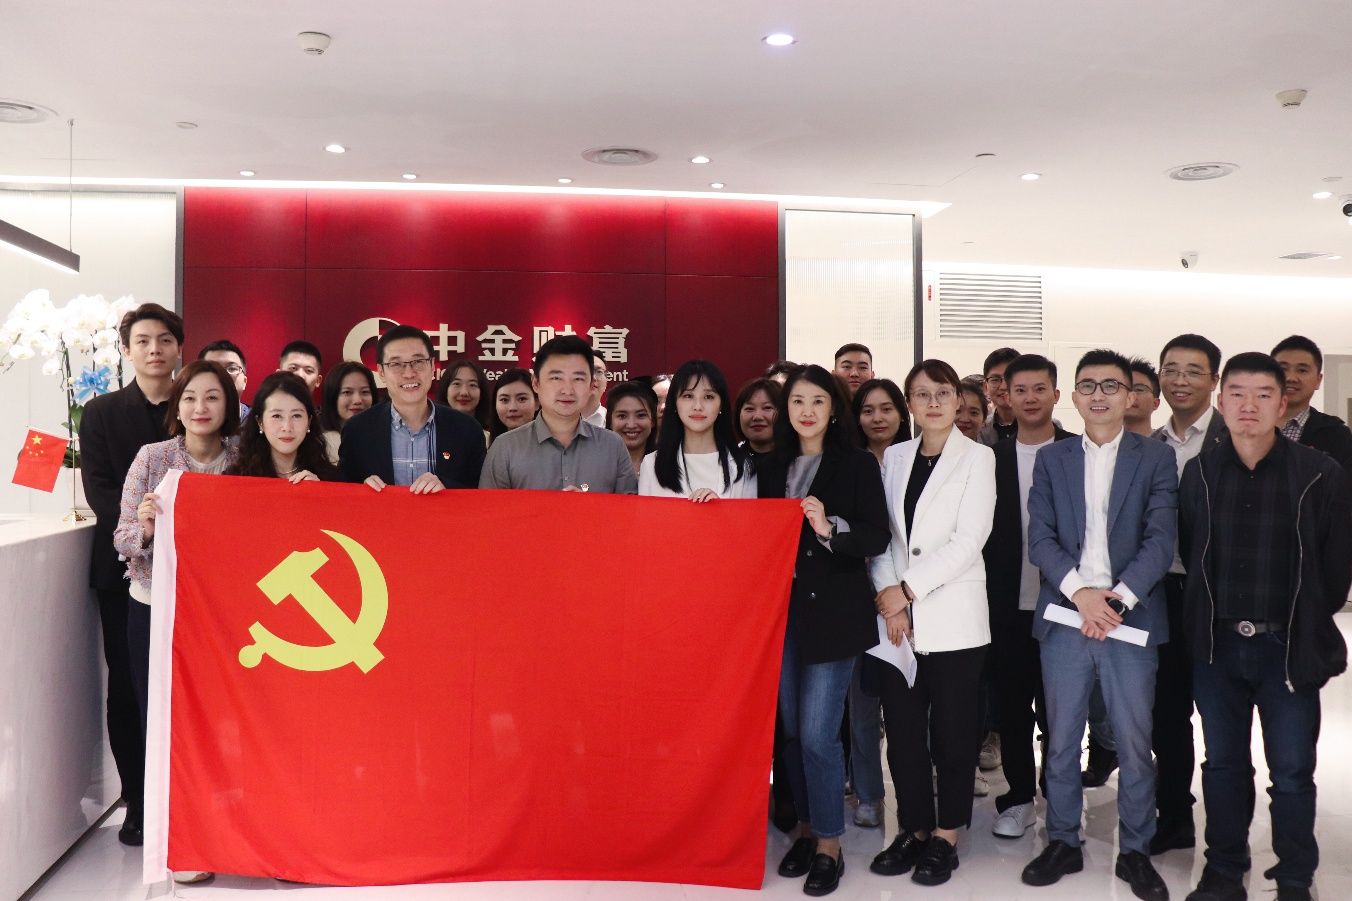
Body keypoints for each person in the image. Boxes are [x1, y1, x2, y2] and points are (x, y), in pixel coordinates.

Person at [1178, 352, 1352, 901]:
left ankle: (1295, 876)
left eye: (1262, 395)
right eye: (1237, 393)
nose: (1248, 405)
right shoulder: (1200, 472)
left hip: (1288, 645)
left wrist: (1307, 620)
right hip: (1218, 646)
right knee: (1223, 765)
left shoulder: (1320, 472)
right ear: (1221, 400)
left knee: (1293, 771)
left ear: (1282, 404)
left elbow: (1336, 567)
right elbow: (1191, 548)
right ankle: (1224, 869)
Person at [1021, 349, 1176, 901]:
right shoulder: (1053, 458)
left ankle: (1135, 850)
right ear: (1073, 396)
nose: (1100, 395)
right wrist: (1082, 596)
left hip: (1130, 621)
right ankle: (1063, 840)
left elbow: (1161, 540)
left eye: (1112, 385)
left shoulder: (1155, 457)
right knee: (1061, 739)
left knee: (1134, 743)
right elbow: (1040, 538)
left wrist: (1116, 602)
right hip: (1066, 616)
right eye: (1088, 385)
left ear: (1130, 396)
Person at [759, 364, 889, 897]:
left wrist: (829, 528)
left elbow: (877, 536)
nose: (806, 410)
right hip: (778, 616)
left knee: (817, 733)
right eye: (796, 401)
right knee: (792, 732)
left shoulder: (855, 463)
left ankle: (830, 844)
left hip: (833, 615)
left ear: (834, 408)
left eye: (817, 400)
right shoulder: (770, 464)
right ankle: (809, 829)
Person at [868, 359, 996, 887]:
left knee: (954, 735)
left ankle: (946, 835)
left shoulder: (978, 457)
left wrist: (909, 590)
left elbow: (969, 540)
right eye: (922, 394)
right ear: (910, 405)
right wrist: (891, 600)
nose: (934, 403)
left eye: (943, 392)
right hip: (898, 623)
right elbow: (882, 537)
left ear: (957, 399)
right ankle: (914, 828)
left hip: (954, 619)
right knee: (902, 735)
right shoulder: (895, 457)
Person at [113, 359, 241, 886]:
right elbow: (122, 538)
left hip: (224, 616)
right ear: (176, 406)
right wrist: (145, 527)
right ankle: (181, 842)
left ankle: (228, 834)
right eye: (189, 398)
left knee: (225, 724)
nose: (200, 408)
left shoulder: (245, 459)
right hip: (156, 608)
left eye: (212, 397)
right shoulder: (153, 458)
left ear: (229, 406)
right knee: (165, 723)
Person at [78, 301, 182, 848]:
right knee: (129, 685)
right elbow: (99, 490)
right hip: (124, 569)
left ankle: (184, 800)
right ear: (126, 350)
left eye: (164, 339)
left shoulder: (197, 403)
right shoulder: (100, 413)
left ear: (179, 347)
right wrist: (141, 529)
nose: (154, 350)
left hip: (194, 571)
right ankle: (138, 802)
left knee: (189, 685)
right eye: (142, 341)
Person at [978, 354, 1076, 839]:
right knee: (1013, 709)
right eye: (1020, 390)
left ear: (1056, 394)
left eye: (1040, 389)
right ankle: (1018, 798)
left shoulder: (1080, 452)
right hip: (1006, 606)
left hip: (1067, 605)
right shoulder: (989, 459)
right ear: (1006, 397)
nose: (1031, 398)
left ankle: (1060, 798)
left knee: (1063, 711)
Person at [1150, 333, 1227, 854]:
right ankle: (1175, 815)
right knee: (1167, 713)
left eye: (1193, 371)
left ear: (1214, 381)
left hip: (1218, 596)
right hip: (1162, 593)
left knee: (1221, 717)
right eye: (1171, 370)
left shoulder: (1230, 439)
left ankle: (1226, 832)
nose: (1180, 381)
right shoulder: (1149, 445)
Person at [480, 335, 636, 493]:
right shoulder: (505, 448)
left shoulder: (613, 446)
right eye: (556, 378)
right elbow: (488, 507)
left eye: (578, 379)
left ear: (591, 385)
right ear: (536, 383)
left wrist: (591, 504)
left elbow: (630, 507)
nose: (567, 390)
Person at [339, 325, 486, 492]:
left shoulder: (467, 429)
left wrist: (447, 488)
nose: (409, 373)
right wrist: (361, 490)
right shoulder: (356, 431)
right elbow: (342, 493)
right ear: (381, 372)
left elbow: (481, 492)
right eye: (396, 364)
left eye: (418, 362)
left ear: (432, 365)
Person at [638, 359, 753, 499]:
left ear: (721, 404)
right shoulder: (652, 464)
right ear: (675, 403)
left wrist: (720, 509)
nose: (698, 406)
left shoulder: (743, 466)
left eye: (708, 397)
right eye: (688, 396)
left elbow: (750, 514)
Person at [228, 372, 341, 481]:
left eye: (296, 416)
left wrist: (321, 491)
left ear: (309, 421)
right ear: (260, 422)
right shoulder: (236, 478)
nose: (287, 427)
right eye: (277, 416)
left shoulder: (331, 479)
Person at [1271, 334, 1352, 473]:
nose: (1290, 378)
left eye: (1302, 370)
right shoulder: (1244, 424)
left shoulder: (1336, 435)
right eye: (1283, 369)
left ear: (1318, 380)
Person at [319, 361, 377, 464]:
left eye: (365, 392)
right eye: (347, 392)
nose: (357, 400)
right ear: (333, 396)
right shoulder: (319, 444)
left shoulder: (386, 437)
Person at [605, 380, 658, 474]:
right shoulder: (594, 464)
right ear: (610, 421)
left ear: (652, 420)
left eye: (641, 415)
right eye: (622, 416)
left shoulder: (667, 463)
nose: (631, 425)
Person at [854, 378, 909, 461]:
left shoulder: (916, 459)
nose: (877, 419)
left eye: (886, 409)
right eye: (868, 411)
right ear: (858, 418)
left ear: (901, 414)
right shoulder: (846, 461)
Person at [977, 347, 1021, 445]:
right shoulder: (979, 430)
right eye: (995, 379)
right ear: (985, 386)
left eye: (1010, 378)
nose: (1003, 387)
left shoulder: (1047, 427)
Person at [438, 359, 493, 435]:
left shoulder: (492, 438)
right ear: (445, 390)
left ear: (481, 392)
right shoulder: (432, 434)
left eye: (472, 385)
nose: (464, 393)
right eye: (457, 384)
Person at [198, 338, 250, 417]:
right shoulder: (188, 419)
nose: (223, 374)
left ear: (244, 382)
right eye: (213, 368)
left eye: (232, 368)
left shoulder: (261, 420)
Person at [735, 377, 781, 456]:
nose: (757, 417)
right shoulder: (725, 460)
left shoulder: (800, 460)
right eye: (750, 409)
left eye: (767, 408)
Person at [490, 367, 539, 440]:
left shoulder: (554, 442)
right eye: (504, 400)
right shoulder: (484, 442)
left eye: (522, 399)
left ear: (537, 403)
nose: (512, 408)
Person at [1125, 357, 1162, 436]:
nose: (1129, 395)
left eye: (1139, 389)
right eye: (1124, 388)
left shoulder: (1167, 442)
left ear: (1155, 403)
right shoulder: (1100, 441)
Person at [583, 356, 609, 427]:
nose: (593, 377)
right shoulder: (557, 420)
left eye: (599, 372)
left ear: (606, 382)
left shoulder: (613, 421)